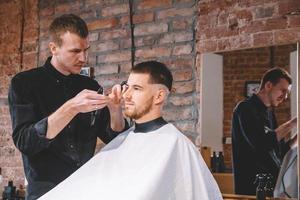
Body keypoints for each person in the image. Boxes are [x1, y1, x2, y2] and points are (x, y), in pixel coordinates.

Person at [39, 61, 223, 200]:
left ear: (159, 96)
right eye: (127, 87)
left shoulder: (176, 145)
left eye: (137, 88)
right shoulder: (124, 140)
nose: (126, 95)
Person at [8, 14, 128, 200]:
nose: (84, 58)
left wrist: (115, 110)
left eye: (86, 50)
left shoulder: (90, 86)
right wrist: (71, 108)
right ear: (54, 48)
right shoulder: (24, 83)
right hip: (47, 193)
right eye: (75, 51)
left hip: (87, 189)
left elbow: (115, 138)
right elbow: (25, 142)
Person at [231, 67, 297, 195]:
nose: (285, 96)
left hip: (273, 189)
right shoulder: (244, 109)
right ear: (268, 85)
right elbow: (261, 144)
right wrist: (293, 123)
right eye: (283, 91)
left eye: (287, 92)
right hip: (251, 191)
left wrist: (297, 138)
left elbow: (278, 153)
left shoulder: (270, 114)